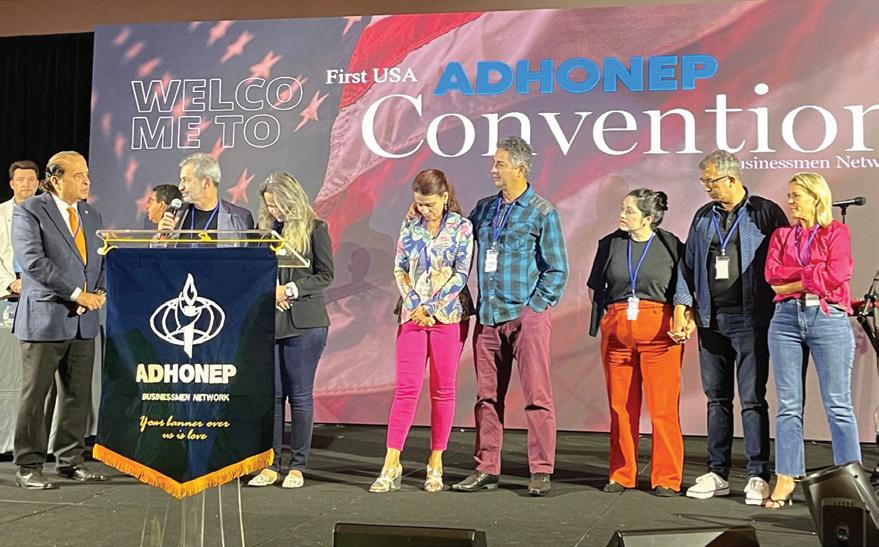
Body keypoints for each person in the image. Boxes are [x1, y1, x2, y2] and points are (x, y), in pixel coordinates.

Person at [452, 136, 568, 497]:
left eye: (499, 164)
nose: (493, 170)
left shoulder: (542, 212)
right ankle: (486, 467)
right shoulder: (484, 209)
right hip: (488, 317)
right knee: (486, 397)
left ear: (520, 168)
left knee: (537, 396)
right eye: (494, 163)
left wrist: (535, 308)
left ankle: (541, 469)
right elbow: (458, 241)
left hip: (525, 316)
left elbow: (556, 269)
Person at [671, 150, 788, 504]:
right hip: (711, 319)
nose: (707, 188)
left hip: (751, 320)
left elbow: (784, 260)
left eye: (711, 181)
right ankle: (717, 472)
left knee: (752, 399)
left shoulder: (765, 212)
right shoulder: (703, 216)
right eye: (704, 182)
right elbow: (688, 265)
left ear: (732, 179)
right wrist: (683, 306)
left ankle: (757, 474)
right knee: (717, 399)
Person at [369, 169, 474, 493]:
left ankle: (436, 460)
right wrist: (415, 304)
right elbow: (399, 267)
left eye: (430, 204)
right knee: (406, 389)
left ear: (444, 197)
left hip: (448, 316)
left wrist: (432, 306)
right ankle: (391, 461)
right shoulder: (409, 226)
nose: (424, 210)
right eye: (419, 204)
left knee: (443, 389)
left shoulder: (462, 227)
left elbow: (461, 273)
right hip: (412, 315)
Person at [763, 172, 860, 509]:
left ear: (816, 198)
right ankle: (787, 476)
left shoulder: (837, 232)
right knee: (788, 405)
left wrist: (794, 281)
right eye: (789, 195)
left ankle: (851, 480)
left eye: (796, 195)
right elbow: (772, 276)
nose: (789, 201)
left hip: (827, 317)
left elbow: (838, 274)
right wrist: (812, 275)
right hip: (786, 319)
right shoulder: (782, 235)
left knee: (838, 404)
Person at [11, 151, 107, 489]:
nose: (87, 181)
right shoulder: (30, 210)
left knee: (77, 396)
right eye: (78, 175)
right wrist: (77, 294)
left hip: (83, 321)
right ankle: (28, 465)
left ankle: (69, 461)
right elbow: (33, 262)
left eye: (87, 174)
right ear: (55, 180)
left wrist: (98, 293)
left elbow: (100, 260)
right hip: (45, 318)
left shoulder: (91, 214)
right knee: (36, 397)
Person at [587, 189, 689, 497]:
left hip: (659, 334)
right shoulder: (610, 244)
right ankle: (622, 473)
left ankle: (666, 477)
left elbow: (684, 289)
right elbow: (595, 287)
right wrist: (607, 318)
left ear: (648, 218)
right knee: (620, 407)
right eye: (622, 208)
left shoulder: (671, 245)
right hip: (618, 331)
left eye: (629, 211)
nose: (621, 215)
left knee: (663, 409)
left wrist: (684, 320)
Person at [247, 171, 333, 488]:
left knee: (299, 396)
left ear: (292, 200)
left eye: (278, 205)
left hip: (306, 324)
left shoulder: (315, 228)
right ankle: (270, 464)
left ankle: (297, 466)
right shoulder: (265, 233)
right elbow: (254, 273)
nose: (274, 211)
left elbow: (325, 274)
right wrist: (269, 292)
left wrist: (290, 291)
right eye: (269, 205)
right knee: (272, 397)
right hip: (270, 322)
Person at [157, 153, 254, 242]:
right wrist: (160, 238)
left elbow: (247, 255)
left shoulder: (240, 218)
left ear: (206, 183)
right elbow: (158, 252)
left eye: (186, 180)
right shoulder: (175, 214)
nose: (180, 187)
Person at [1, 160, 40, 297]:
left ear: (37, 184)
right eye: (20, 180)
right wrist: (10, 282)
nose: (26, 184)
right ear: (12, 184)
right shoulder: (1, 213)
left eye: (31, 180)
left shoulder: (51, 214)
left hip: (41, 288)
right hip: (5, 288)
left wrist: (29, 280)